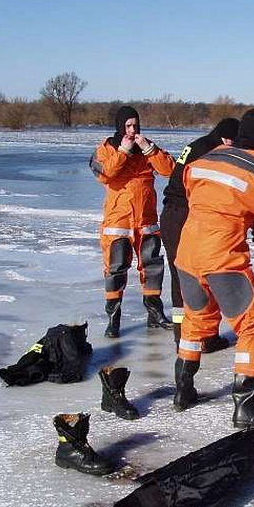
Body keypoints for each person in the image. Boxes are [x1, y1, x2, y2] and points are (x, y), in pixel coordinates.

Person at [171, 108, 254, 426]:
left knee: (195, 320)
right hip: (222, 257)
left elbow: (191, 188)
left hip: (186, 252)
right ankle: (246, 405)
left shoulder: (207, 158)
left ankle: (183, 390)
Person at [90, 106, 176, 338]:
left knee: (152, 267)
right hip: (118, 221)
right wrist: (123, 151)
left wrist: (149, 149)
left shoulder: (147, 148)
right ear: (120, 127)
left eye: (135, 126)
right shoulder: (106, 148)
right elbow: (103, 174)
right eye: (128, 126)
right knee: (116, 269)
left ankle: (154, 313)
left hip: (146, 221)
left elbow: (170, 170)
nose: (132, 130)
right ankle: (114, 317)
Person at [160, 118, 240, 351]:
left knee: (181, 278)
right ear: (227, 138)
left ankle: (185, 338)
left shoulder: (199, 145)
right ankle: (199, 338)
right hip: (185, 216)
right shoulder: (212, 153)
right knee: (200, 277)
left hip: (171, 216)